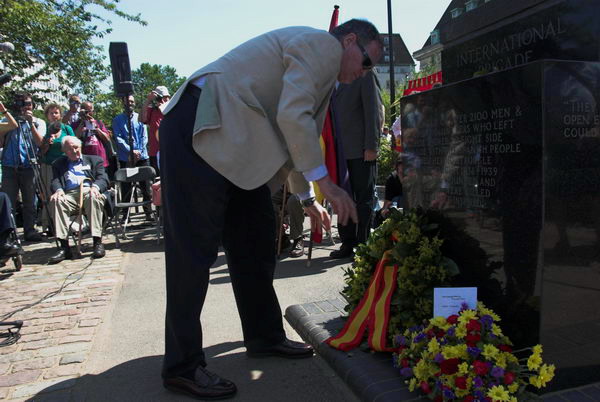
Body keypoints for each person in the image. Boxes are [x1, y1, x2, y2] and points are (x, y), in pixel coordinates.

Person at [159, 19, 381, 400]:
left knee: (256, 240)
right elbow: (293, 117)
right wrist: (325, 183)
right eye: (367, 62)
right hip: (201, 125)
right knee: (192, 252)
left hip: (234, 143)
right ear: (349, 41)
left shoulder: (324, 71)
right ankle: (182, 366)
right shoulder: (321, 46)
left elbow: (297, 134)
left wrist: (307, 199)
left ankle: (263, 336)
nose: (364, 73)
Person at [330, 70, 383, 259]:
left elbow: (373, 110)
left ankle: (363, 244)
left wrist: (372, 146)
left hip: (361, 150)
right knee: (341, 198)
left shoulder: (363, 72)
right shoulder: (328, 76)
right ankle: (347, 242)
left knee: (364, 199)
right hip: (336, 152)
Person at [47, 136, 108, 264]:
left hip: (88, 190)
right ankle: (64, 247)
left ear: (81, 147)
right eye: (70, 149)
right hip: (68, 194)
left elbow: (103, 178)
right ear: (64, 151)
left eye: (76, 147)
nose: (74, 151)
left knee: (93, 198)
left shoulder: (94, 160)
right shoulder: (58, 164)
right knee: (57, 201)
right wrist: (58, 190)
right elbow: (55, 181)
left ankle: (97, 242)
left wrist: (95, 187)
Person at [0, 93, 45, 241]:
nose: (25, 107)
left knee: (30, 201)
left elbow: (40, 143)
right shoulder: (6, 120)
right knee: (8, 202)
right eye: (22, 103)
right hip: (9, 166)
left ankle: (30, 231)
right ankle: (9, 235)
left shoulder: (38, 122)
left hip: (28, 166)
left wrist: (30, 123)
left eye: (28, 103)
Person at [112, 95, 152, 220]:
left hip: (142, 156)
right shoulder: (117, 120)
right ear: (123, 102)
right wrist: (130, 151)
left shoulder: (139, 118)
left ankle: (148, 214)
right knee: (126, 187)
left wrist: (138, 151)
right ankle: (126, 215)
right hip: (126, 158)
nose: (130, 103)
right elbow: (118, 138)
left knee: (145, 186)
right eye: (127, 101)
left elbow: (144, 136)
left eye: (132, 101)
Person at [40, 104, 75, 235]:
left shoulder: (66, 128)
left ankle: (72, 224)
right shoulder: (46, 130)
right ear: (47, 116)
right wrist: (47, 143)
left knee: (68, 193)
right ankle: (50, 224)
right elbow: (42, 152)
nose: (54, 115)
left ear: (60, 115)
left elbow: (74, 143)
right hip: (49, 166)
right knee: (50, 195)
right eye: (51, 113)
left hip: (65, 166)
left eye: (56, 113)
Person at [140, 86, 170, 175]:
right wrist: (148, 100)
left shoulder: (173, 109)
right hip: (155, 152)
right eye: (161, 98)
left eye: (166, 98)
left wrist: (164, 108)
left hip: (169, 151)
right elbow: (141, 119)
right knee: (157, 180)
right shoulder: (152, 111)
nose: (163, 101)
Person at [72, 101, 111, 169]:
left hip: (100, 158)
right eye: (86, 111)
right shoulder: (76, 124)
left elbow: (107, 138)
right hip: (84, 160)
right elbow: (74, 138)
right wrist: (82, 123)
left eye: (89, 111)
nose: (87, 114)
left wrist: (96, 127)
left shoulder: (99, 123)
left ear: (93, 111)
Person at [271, 185, 306, 258]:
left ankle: (298, 238)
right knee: (269, 199)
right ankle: (282, 237)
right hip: (284, 188)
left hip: (301, 188)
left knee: (293, 200)